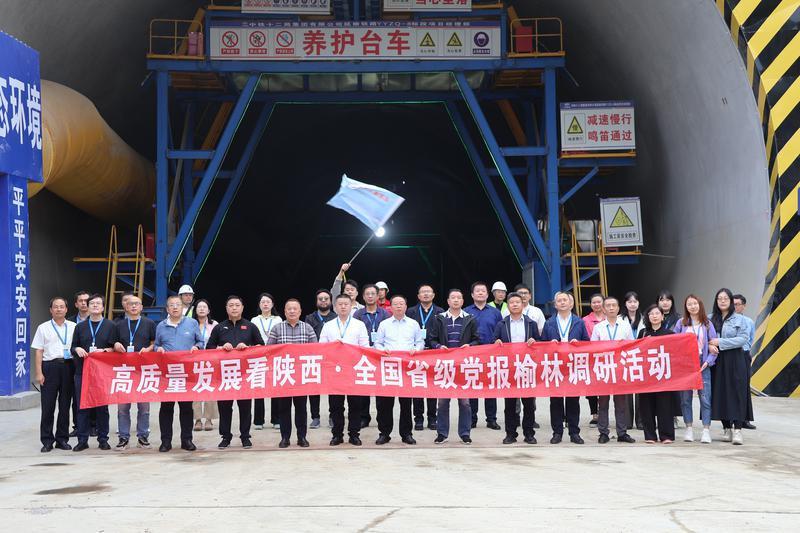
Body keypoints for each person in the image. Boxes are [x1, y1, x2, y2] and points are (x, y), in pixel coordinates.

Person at [207, 295, 264, 449]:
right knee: (224, 408)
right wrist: (219, 348)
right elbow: (208, 348)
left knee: (245, 407)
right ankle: (225, 437)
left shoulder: (250, 326)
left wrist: (248, 348)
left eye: (237, 305)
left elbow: (261, 346)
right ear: (226, 308)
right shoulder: (219, 328)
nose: (234, 308)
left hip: (245, 375)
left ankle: (245, 436)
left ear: (242, 308)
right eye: (231, 305)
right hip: (225, 375)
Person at [427, 289, 481, 444]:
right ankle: (442, 433)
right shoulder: (439, 318)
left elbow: (477, 339)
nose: (456, 300)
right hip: (445, 366)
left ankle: (465, 433)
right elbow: (431, 339)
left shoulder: (470, 319)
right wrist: (438, 346)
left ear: (463, 301)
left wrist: (470, 346)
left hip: (463, 366)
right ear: (448, 301)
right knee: (443, 402)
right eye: (453, 298)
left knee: (465, 402)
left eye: (459, 297)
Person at [154, 295, 204, 452]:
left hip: (186, 373)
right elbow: (156, 345)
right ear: (167, 309)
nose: (175, 307)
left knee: (186, 408)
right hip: (167, 374)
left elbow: (201, 342)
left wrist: (197, 347)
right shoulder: (161, 326)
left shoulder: (192, 323)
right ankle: (166, 441)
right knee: (166, 408)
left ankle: (186, 440)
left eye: (178, 304)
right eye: (171, 305)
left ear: (183, 307)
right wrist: (157, 349)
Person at [318, 294, 370, 446]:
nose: (343, 307)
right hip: (334, 370)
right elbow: (321, 346)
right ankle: (337, 435)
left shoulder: (359, 325)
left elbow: (365, 346)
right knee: (336, 406)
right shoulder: (328, 325)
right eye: (340, 304)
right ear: (335, 307)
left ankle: (354, 435)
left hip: (353, 369)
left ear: (351, 306)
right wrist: (333, 345)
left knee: (355, 405)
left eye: (346, 304)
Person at [70, 294, 119, 452]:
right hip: (82, 371)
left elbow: (115, 349)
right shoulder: (80, 327)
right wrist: (77, 348)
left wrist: (104, 351)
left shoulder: (111, 326)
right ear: (88, 306)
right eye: (92, 303)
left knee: (102, 407)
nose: (95, 306)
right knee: (82, 406)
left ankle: (103, 439)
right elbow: (72, 347)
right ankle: (82, 440)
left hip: (102, 373)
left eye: (98, 303)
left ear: (103, 307)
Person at [374, 295, 424, 445]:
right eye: (395, 304)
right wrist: (382, 350)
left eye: (401, 304)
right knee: (385, 403)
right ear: (390, 307)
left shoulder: (413, 324)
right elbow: (377, 343)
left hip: (406, 368)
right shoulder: (384, 324)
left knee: (406, 403)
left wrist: (416, 350)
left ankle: (406, 434)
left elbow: (420, 342)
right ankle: (384, 433)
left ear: (406, 306)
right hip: (388, 367)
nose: (399, 306)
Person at [268, 299, 318, 448]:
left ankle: (302, 437)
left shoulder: (307, 328)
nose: (292, 311)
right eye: (289, 309)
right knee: (283, 408)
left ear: (300, 311)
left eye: (295, 308)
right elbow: (268, 350)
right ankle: (285, 437)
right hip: (284, 374)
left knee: (301, 408)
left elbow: (316, 350)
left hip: (301, 375)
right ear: (284, 312)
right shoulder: (277, 328)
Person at [541, 291, 588, 445]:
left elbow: (587, 343)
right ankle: (557, 432)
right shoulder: (549, 323)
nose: (562, 302)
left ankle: (574, 433)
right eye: (559, 301)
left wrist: (579, 344)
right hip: (555, 366)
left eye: (564, 300)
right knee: (555, 401)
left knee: (573, 400)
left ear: (571, 303)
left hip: (573, 365)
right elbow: (542, 344)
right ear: (555, 305)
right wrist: (549, 344)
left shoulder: (579, 322)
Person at [493, 292, 539, 445]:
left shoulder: (531, 323)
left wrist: (535, 342)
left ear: (522, 304)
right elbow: (494, 341)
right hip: (510, 368)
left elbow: (540, 343)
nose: (514, 305)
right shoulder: (502, 324)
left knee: (529, 404)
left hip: (527, 367)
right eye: (511, 302)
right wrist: (497, 342)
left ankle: (529, 434)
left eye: (517, 302)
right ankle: (510, 434)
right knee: (510, 405)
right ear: (508, 305)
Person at [709, 288, 753, 445]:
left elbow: (743, 339)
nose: (722, 301)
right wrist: (709, 346)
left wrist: (720, 342)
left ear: (731, 301)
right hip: (717, 360)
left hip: (735, 359)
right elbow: (704, 337)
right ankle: (726, 428)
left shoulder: (740, 320)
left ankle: (738, 430)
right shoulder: (710, 319)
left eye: (725, 298)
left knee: (737, 392)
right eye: (719, 298)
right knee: (720, 393)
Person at [32, 297, 76, 452]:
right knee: (48, 406)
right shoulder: (43, 327)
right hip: (49, 367)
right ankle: (47, 441)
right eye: (55, 307)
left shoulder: (73, 327)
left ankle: (62, 439)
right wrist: (39, 373)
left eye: (62, 306)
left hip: (68, 366)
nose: (59, 309)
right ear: (50, 310)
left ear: (66, 309)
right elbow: (39, 351)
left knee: (65, 405)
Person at [590, 296, 636, 444]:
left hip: (620, 368)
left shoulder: (625, 326)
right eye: (608, 306)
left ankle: (622, 433)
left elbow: (632, 346)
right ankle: (603, 433)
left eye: (613, 305)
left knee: (621, 403)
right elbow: (592, 348)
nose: (611, 308)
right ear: (603, 309)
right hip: (604, 368)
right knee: (603, 403)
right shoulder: (598, 327)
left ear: (618, 308)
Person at [112, 295, 156, 450]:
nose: (133, 306)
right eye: (130, 304)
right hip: (124, 371)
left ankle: (143, 437)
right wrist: (116, 344)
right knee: (123, 408)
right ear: (126, 307)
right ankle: (123, 437)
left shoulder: (149, 323)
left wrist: (149, 349)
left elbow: (154, 343)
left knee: (144, 407)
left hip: (143, 370)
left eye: (137, 304)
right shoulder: (118, 325)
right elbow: (112, 343)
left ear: (141, 307)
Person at [673, 294, 718, 444]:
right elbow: (673, 343)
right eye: (689, 304)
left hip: (702, 363)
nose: (692, 306)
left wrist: (708, 362)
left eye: (695, 303)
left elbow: (713, 346)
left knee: (705, 398)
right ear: (686, 307)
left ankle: (706, 430)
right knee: (685, 399)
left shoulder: (707, 324)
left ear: (700, 305)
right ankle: (689, 428)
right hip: (685, 365)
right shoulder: (681, 323)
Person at [464, 281, 503, 430]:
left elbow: (500, 331)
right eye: (477, 291)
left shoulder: (495, 312)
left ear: (487, 295)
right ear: (472, 294)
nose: (480, 293)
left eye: (483, 291)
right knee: (472, 387)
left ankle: (491, 419)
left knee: (490, 388)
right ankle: (472, 419)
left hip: (490, 355)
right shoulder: (466, 311)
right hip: (471, 354)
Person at [353, 284, 391, 428]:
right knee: (363, 387)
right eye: (367, 294)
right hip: (362, 354)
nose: (370, 296)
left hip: (381, 354)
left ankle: (382, 418)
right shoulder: (358, 314)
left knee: (381, 387)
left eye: (372, 294)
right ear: (363, 297)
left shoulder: (385, 314)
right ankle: (364, 417)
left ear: (378, 296)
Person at [407, 283, 444, 431]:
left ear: (433, 295)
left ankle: (432, 418)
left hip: (433, 353)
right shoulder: (411, 311)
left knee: (432, 387)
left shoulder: (440, 312)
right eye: (423, 292)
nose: (426, 294)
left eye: (429, 292)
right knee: (417, 387)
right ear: (418, 296)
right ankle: (418, 419)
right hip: (416, 353)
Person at [637, 304, 676, 443]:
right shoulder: (642, 333)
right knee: (646, 406)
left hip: (663, 375)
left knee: (665, 406)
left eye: (657, 313)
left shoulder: (670, 334)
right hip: (646, 375)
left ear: (662, 316)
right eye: (651, 314)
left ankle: (666, 435)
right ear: (647, 317)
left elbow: (675, 353)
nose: (654, 316)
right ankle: (650, 435)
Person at [304, 289, 335, 430]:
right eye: (320, 299)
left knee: (333, 388)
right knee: (314, 388)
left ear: (330, 301)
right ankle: (315, 417)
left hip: (332, 357)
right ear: (316, 302)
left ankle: (333, 416)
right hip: (314, 357)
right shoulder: (309, 318)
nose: (323, 301)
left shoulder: (336, 317)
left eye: (326, 299)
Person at [251, 292, 282, 431]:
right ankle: (258, 420)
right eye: (263, 302)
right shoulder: (254, 320)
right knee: (259, 388)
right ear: (259, 304)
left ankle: (276, 419)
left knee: (275, 388)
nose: (265, 304)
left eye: (268, 302)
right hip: (258, 357)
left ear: (272, 304)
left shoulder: (278, 319)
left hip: (274, 356)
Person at [192, 299, 218, 432]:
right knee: (195, 389)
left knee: (209, 388)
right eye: (199, 307)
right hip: (193, 361)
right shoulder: (190, 324)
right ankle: (197, 419)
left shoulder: (215, 325)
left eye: (204, 307)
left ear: (208, 310)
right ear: (195, 310)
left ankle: (208, 419)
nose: (202, 309)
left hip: (210, 361)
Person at [68, 290, 90, 437]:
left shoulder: (97, 321)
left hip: (92, 364)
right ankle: (78, 426)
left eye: (86, 301)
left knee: (93, 394)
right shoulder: (69, 322)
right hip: (73, 362)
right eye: (80, 301)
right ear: (76, 304)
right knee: (76, 396)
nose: (84, 303)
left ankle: (93, 425)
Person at [621, 291, 645, 429]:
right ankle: (627, 421)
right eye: (629, 301)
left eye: (635, 301)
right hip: (624, 357)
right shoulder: (619, 319)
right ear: (625, 303)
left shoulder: (645, 318)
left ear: (638, 303)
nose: (632, 304)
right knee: (626, 390)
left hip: (641, 356)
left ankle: (641, 421)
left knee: (641, 390)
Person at [732, 293, 757, 430]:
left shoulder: (749, 322)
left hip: (743, 355)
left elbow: (750, 339)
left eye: (737, 304)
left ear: (744, 306)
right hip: (730, 355)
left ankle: (744, 419)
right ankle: (730, 418)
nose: (735, 307)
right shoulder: (726, 321)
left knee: (744, 388)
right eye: (733, 304)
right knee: (730, 387)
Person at [582, 293, 605, 426]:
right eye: (594, 302)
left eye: (599, 302)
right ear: (590, 305)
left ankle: (604, 413)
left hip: (607, 357)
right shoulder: (585, 320)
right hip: (591, 357)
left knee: (605, 385)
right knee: (592, 386)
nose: (596, 304)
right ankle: (595, 414)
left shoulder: (609, 318)